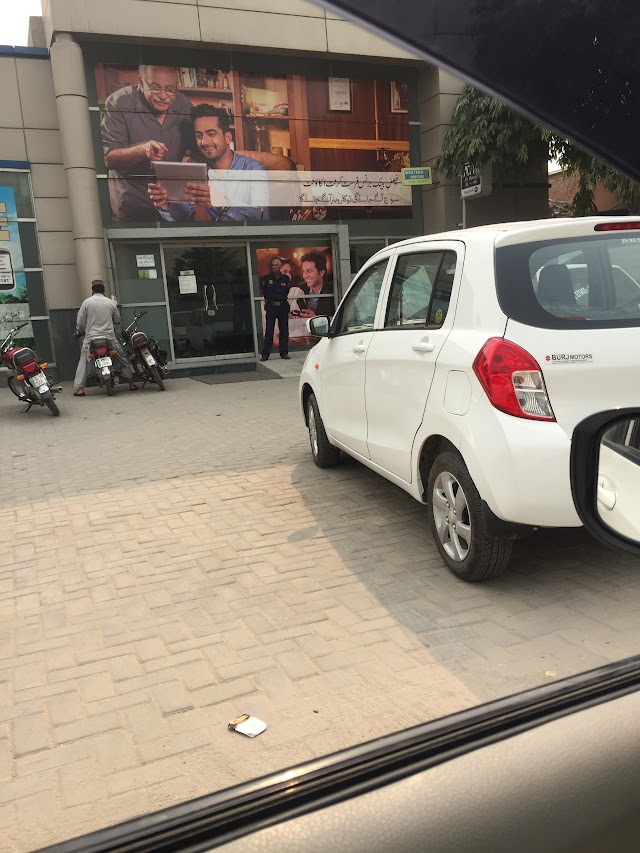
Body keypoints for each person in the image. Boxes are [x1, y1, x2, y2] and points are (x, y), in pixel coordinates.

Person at [148, 104, 269, 223]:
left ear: (227, 138)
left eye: (211, 134)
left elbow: (262, 218)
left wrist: (223, 204)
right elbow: (185, 214)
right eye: (199, 135)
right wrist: (166, 205)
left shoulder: (253, 169)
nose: (204, 142)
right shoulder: (197, 172)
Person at [101, 65, 193, 221]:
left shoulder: (184, 105)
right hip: (132, 213)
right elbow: (109, 158)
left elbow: (196, 149)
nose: (163, 96)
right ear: (141, 82)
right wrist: (143, 150)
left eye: (170, 89)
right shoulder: (119, 103)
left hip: (174, 212)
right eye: (155, 88)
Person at [73, 281, 137, 397]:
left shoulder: (86, 303)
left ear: (92, 291)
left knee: (83, 362)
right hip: (109, 338)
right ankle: (131, 383)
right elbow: (117, 319)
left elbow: (81, 321)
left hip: (91, 338)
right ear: (104, 291)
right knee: (122, 359)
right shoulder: (110, 303)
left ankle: (80, 389)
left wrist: (80, 331)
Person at [260, 257, 291, 361]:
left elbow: (286, 291)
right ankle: (265, 354)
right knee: (269, 331)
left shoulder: (285, 279)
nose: (274, 267)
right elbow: (265, 292)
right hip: (271, 307)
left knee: (284, 330)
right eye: (273, 265)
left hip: (282, 306)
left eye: (276, 265)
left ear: (280, 266)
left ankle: (284, 353)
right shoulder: (267, 278)